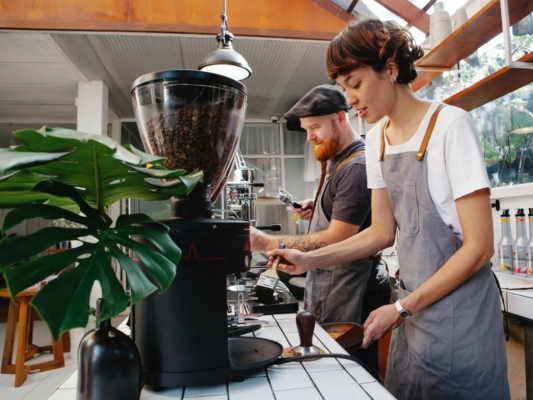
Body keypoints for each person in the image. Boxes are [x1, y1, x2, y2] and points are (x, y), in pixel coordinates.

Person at [267, 19, 510, 400]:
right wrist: (309, 260)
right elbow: (380, 232)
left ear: (391, 68)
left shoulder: (450, 126)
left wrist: (400, 309)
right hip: (412, 313)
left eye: (356, 84)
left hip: (459, 314)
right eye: (344, 88)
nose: (350, 99)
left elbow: (479, 247)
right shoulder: (376, 138)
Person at [250, 85, 390, 377]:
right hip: (332, 285)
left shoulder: (356, 166)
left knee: (355, 375)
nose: (310, 136)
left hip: (353, 289)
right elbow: (345, 216)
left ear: (341, 117)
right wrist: (319, 208)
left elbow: (338, 237)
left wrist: (268, 242)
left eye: (314, 127)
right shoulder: (339, 160)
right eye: (306, 129)